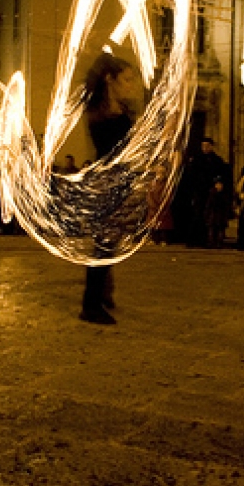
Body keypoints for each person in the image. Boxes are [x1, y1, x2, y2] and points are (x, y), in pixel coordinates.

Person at [80, 52, 137, 324]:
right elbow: (117, 151)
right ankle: (89, 305)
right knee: (104, 245)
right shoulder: (102, 115)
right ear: (109, 79)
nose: (131, 84)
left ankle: (101, 292)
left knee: (108, 244)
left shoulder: (120, 111)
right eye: (126, 79)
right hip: (109, 183)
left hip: (118, 180)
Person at [147, 163, 175, 245]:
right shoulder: (153, 183)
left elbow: (168, 195)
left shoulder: (167, 183)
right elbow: (149, 194)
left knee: (163, 224)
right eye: (158, 172)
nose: (159, 175)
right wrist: (152, 204)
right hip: (153, 206)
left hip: (163, 206)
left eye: (161, 173)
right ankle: (154, 239)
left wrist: (162, 204)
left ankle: (164, 239)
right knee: (153, 224)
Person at [204, 176, 230, 248]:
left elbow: (226, 205)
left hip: (221, 215)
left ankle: (219, 242)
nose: (219, 186)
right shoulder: (212, 193)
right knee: (212, 229)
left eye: (221, 185)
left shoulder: (224, 194)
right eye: (218, 184)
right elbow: (209, 205)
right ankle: (211, 242)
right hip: (213, 214)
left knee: (220, 229)